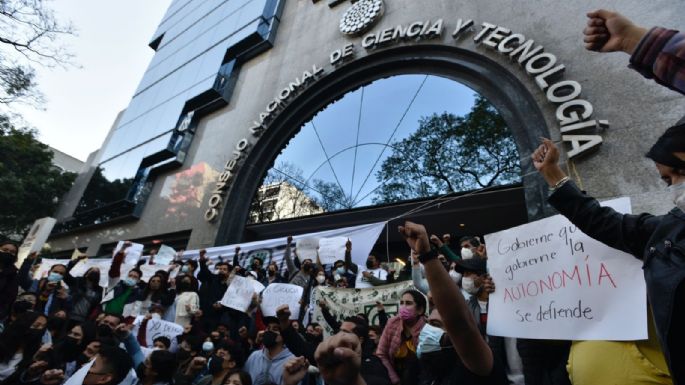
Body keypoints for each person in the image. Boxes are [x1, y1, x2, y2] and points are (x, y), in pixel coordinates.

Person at [398, 221, 508, 384]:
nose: (426, 330)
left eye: (436, 324)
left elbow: (460, 322)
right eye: (429, 322)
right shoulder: (423, 371)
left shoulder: (475, 367)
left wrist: (427, 255)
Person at [375, 289, 426, 384]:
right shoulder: (392, 323)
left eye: (408, 303)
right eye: (401, 303)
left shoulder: (427, 328)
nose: (403, 307)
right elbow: (381, 353)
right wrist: (395, 380)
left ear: (420, 310)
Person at [244, 316, 297, 385]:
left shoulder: (292, 362)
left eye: (275, 329)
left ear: (284, 335)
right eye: (268, 328)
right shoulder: (254, 357)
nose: (269, 331)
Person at [0, 311, 48, 383]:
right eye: (36, 325)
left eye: (43, 327)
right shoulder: (2, 341)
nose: (39, 330)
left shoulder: (33, 353)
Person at [103, 243, 144, 318]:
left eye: (135, 277)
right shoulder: (116, 284)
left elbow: (134, 314)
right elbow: (115, 268)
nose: (131, 278)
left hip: (118, 322)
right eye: (130, 275)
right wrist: (122, 249)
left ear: (138, 281)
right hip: (104, 316)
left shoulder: (138, 294)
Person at [64, 255, 103, 324]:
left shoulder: (99, 290)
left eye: (97, 272)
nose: (94, 272)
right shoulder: (77, 281)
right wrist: (76, 260)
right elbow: (65, 274)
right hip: (67, 315)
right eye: (92, 271)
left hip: (83, 320)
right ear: (87, 273)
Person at [0, 240, 19, 321]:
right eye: (5, 250)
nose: (8, 253)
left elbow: (10, 299)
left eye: (12, 252)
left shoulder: (13, 275)